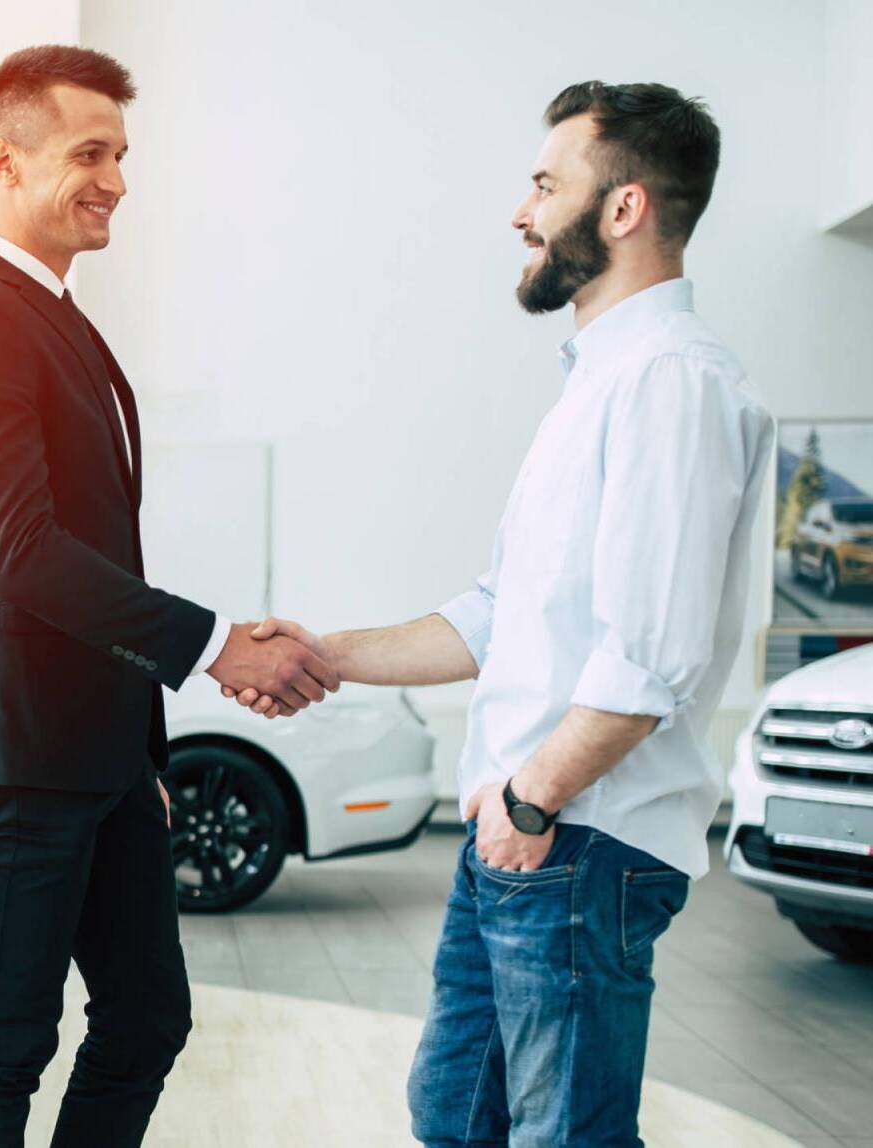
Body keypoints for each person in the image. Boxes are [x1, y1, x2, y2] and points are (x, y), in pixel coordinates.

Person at [232, 81, 773, 1146]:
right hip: (527, 839)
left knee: (563, 1135)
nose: (520, 213)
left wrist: (529, 801)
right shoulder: (598, 384)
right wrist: (321, 651)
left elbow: (648, 659)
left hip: (576, 838)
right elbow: (501, 616)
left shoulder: (672, 382)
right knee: (455, 1112)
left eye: (543, 183)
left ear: (621, 210)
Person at [0, 44, 337, 1148]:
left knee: (146, 1015)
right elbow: (21, 551)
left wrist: (139, 748)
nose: (118, 180)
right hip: (26, 752)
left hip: (100, 754)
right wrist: (217, 644)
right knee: (4, 1043)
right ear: (6, 159)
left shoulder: (54, 316)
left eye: (122, 154)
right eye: (91, 153)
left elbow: (89, 549)